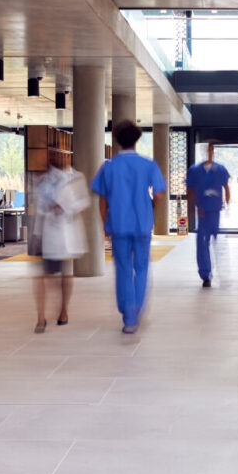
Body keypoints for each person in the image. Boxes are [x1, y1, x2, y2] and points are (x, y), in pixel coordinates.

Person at [91, 120, 166, 334]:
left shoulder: (109, 166)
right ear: (136, 140)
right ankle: (137, 308)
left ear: (117, 141)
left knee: (123, 268)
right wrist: (149, 207)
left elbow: (102, 199)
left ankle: (128, 316)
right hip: (142, 224)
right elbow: (159, 194)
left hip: (119, 224)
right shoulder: (148, 164)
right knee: (141, 267)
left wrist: (105, 222)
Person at [33, 161, 90, 334]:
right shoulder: (42, 179)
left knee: (65, 275)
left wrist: (63, 206)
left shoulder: (75, 177)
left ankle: (63, 310)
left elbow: (83, 201)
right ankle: (40, 318)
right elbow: (38, 205)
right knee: (43, 276)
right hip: (46, 233)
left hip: (66, 234)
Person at [187, 142, 230, 288]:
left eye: (212, 149)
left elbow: (226, 187)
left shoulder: (221, 170)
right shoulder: (195, 170)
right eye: (208, 149)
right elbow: (190, 190)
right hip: (203, 212)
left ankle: (223, 273)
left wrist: (228, 203)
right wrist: (192, 208)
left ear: (214, 151)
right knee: (203, 244)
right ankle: (206, 275)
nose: (209, 152)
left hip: (216, 211)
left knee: (219, 243)